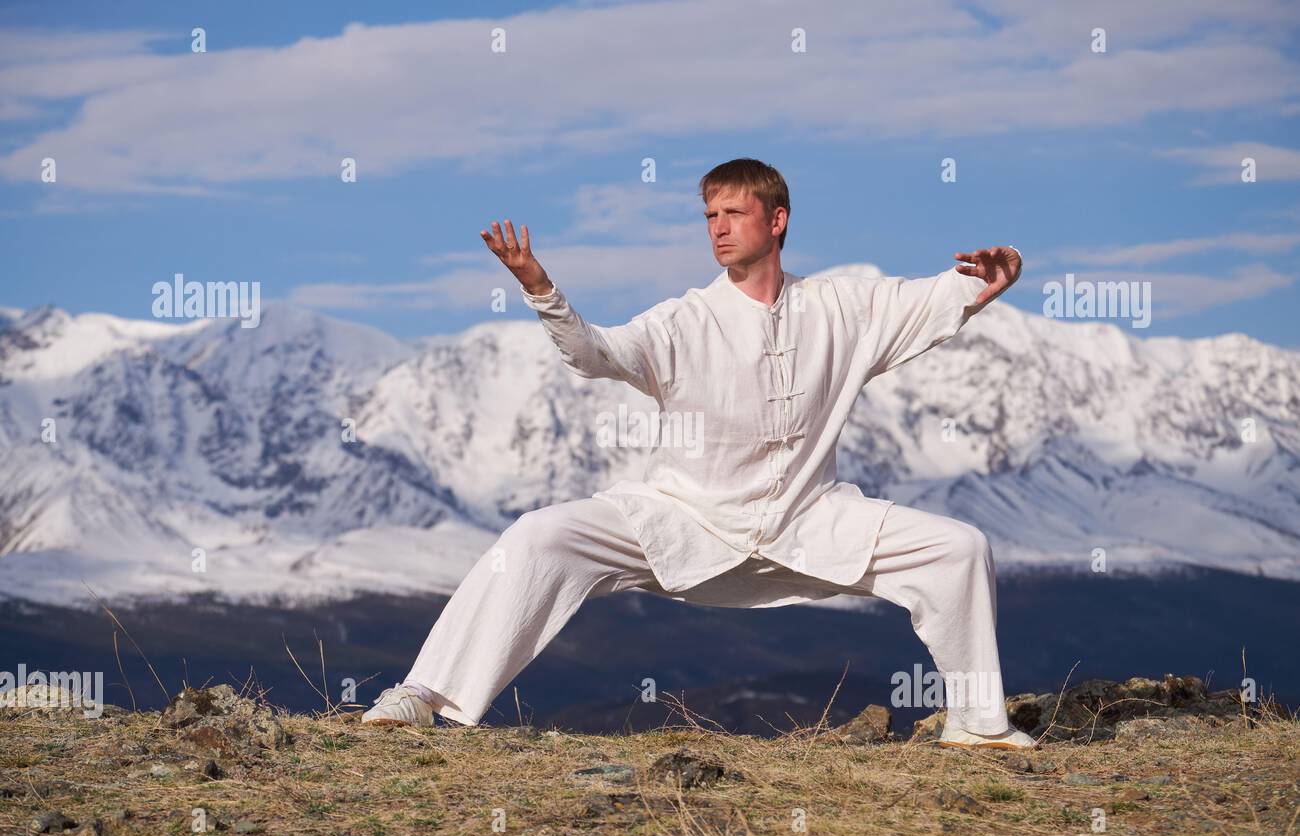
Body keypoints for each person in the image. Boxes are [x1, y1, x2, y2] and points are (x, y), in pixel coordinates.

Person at [363, 158, 1037, 750]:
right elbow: (593, 354)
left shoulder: (842, 307)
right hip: (684, 519)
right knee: (538, 536)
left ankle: (977, 724)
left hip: (811, 519)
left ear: (777, 220)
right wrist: (542, 291)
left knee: (959, 549)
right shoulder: (681, 320)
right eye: (709, 214)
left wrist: (987, 278)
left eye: (734, 212)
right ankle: (423, 695)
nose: (717, 226)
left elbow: (927, 299)